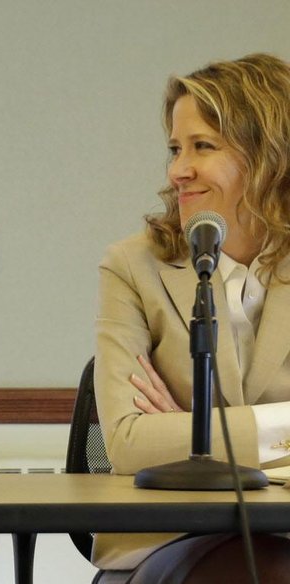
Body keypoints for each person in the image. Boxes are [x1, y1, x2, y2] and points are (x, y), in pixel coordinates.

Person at [94, 53, 290, 583]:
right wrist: (283, 429)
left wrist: (190, 432)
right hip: (169, 535)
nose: (179, 169)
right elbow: (129, 443)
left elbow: (164, 439)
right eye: (176, 149)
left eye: (203, 146)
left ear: (270, 155)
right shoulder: (133, 266)